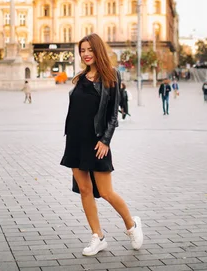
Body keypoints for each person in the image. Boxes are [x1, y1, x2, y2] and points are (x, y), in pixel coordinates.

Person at [60, 33, 143, 257]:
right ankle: (98, 237)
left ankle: (131, 224)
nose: (86, 54)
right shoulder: (80, 78)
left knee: (106, 192)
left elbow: (113, 115)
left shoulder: (111, 77)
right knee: (85, 190)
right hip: (75, 141)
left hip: (97, 142)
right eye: (82, 50)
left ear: (98, 51)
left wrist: (105, 140)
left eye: (90, 49)